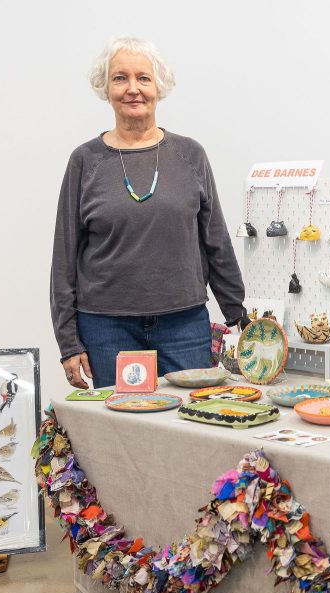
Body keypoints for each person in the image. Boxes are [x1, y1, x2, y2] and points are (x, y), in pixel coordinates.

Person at [50, 37, 247, 389]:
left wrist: (238, 314)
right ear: (105, 88)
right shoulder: (85, 161)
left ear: (159, 86)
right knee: (122, 433)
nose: (132, 89)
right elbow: (64, 259)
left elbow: (216, 240)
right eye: (120, 78)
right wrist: (68, 342)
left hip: (184, 324)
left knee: (192, 428)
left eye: (143, 78)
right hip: (106, 328)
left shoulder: (190, 155)